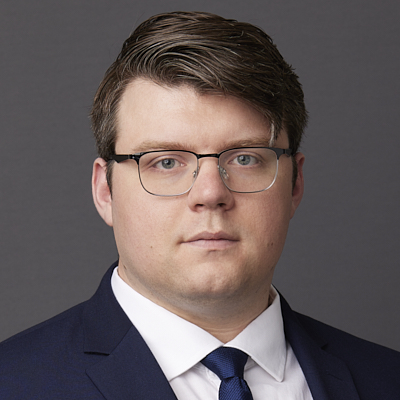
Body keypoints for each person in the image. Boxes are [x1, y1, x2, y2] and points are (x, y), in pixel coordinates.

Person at [0, 11, 399, 400]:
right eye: (165, 162)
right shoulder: (12, 383)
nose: (210, 194)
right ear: (105, 191)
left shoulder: (386, 379)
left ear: (295, 184)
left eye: (245, 158)